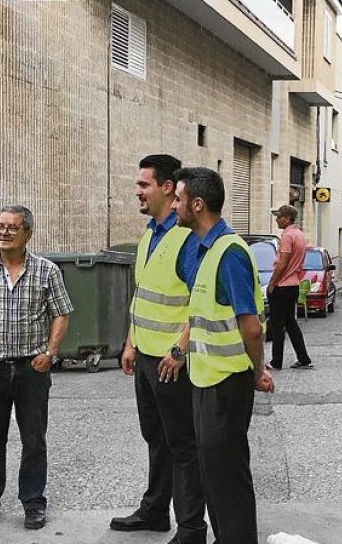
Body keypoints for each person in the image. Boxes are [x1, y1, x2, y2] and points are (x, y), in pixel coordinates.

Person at [0, 206, 74, 531]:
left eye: (12, 227)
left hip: (31, 369)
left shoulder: (47, 271)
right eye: (0, 226)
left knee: (34, 439)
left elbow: (61, 314)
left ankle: (33, 502)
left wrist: (50, 353)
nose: (4, 232)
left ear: (28, 234)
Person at [173, 167, 272, 544]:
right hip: (205, 378)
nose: (176, 205)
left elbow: (251, 326)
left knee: (227, 473)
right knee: (213, 470)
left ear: (197, 205)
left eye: (180, 199)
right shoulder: (206, 249)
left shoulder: (229, 252)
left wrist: (258, 370)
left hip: (228, 382)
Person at [111, 154, 207, 544]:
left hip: (173, 363)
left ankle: (190, 528)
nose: (138, 191)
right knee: (156, 438)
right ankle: (154, 511)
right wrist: (131, 343)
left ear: (168, 188)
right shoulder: (151, 234)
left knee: (183, 445)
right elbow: (144, 295)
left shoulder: (187, 237)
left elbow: (199, 304)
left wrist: (180, 352)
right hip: (147, 357)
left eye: (143, 185)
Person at [266, 204, 312, 371]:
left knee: (277, 325)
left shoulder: (287, 236)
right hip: (293, 284)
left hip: (282, 285)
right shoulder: (299, 235)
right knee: (291, 323)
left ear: (286, 218)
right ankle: (303, 358)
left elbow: (283, 262)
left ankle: (276, 361)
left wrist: (272, 282)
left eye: (279, 217)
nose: (277, 219)